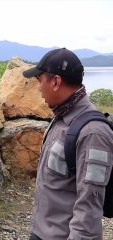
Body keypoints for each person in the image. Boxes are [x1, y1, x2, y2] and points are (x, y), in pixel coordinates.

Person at [22, 48, 113, 240]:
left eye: (40, 81)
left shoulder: (93, 132)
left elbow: (89, 206)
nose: (39, 89)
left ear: (55, 82)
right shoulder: (60, 119)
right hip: (41, 231)